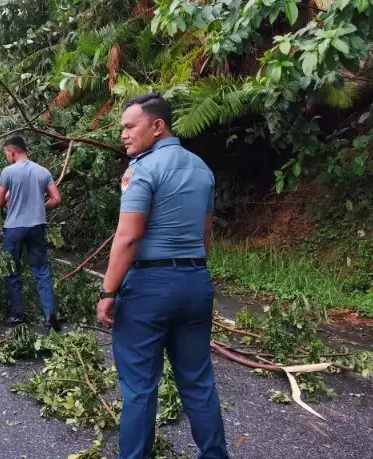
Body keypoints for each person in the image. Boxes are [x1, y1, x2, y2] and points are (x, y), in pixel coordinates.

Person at [96, 93, 228, 459]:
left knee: (139, 387)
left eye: (129, 126)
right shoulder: (202, 168)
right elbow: (205, 235)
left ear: (157, 126)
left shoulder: (142, 170)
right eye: (121, 127)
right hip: (195, 281)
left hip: (149, 289)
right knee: (198, 381)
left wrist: (108, 291)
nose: (123, 134)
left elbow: (128, 236)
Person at [0, 136, 62, 331]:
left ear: (12, 152)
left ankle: (18, 315)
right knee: (41, 271)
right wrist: (40, 207)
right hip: (37, 227)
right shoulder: (43, 171)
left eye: (6, 153)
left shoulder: (8, 172)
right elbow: (56, 198)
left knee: (11, 270)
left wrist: (12, 203)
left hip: (14, 228)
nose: (7, 157)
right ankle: (49, 316)